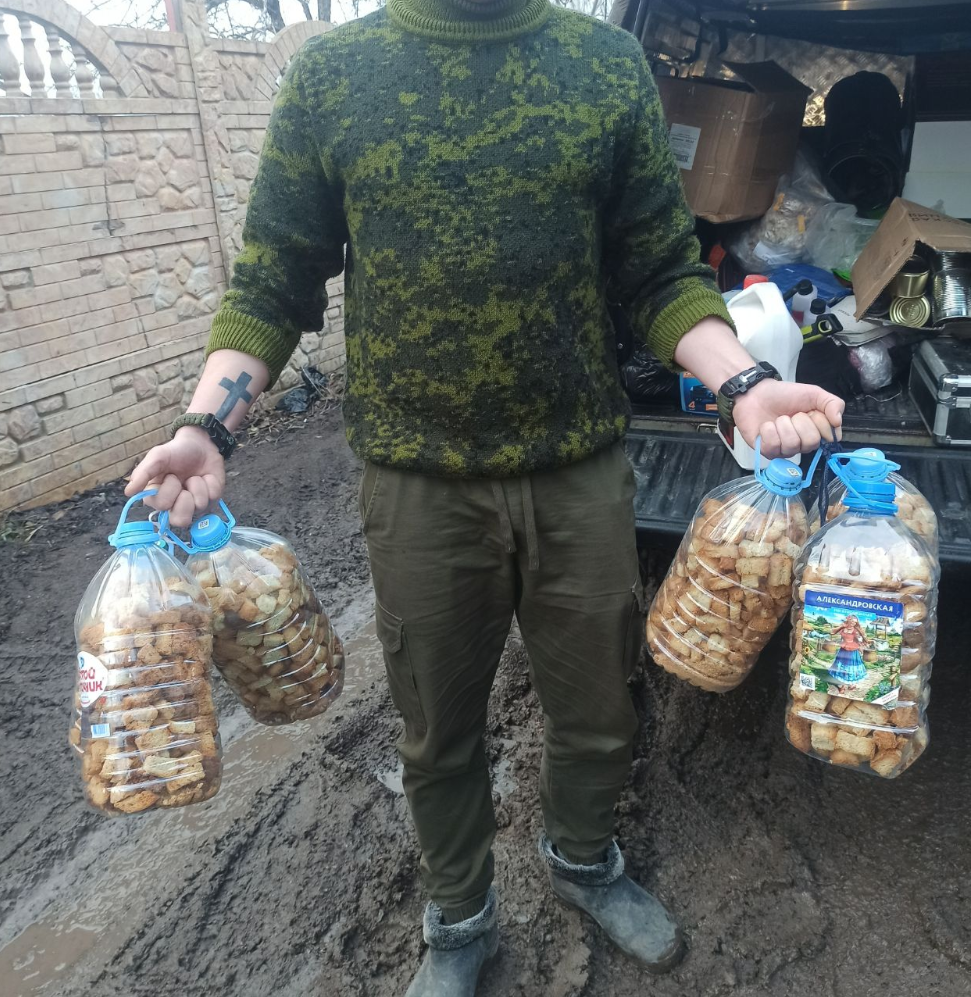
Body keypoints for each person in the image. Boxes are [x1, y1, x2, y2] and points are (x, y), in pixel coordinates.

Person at [126, 1, 844, 992]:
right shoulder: (334, 76)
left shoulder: (604, 65)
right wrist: (207, 428)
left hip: (576, 475)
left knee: (598, 710)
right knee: (437, 730)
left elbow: (658, 272)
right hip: (419, 488)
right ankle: (458, 918)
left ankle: (583, 860)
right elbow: (272, 280)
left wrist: (744, 383)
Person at [828, 615, 870, 685]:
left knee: (851, 665)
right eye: (852, 621)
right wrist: (841, 626)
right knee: (841, 664)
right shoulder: (843, 627)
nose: (854, 623)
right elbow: (832, 632)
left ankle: (852, 684)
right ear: (848, 620)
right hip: (843, 649)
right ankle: (842, 683)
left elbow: (864, 638)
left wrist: (863, 643)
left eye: (855, 622)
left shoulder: (856, 630)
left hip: (852, 650)